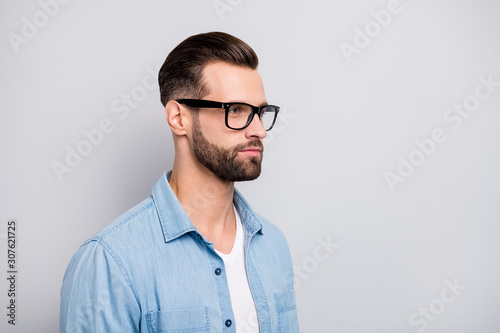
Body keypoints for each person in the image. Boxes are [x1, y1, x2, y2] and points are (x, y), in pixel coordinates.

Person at [60, 31, 299, 333]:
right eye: (236, 110)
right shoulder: (110, 261)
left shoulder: (273, 245)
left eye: (261, 112)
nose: (259, 131)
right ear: (178, 118)